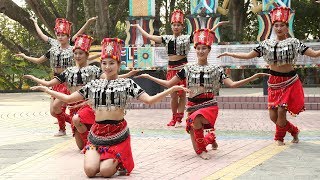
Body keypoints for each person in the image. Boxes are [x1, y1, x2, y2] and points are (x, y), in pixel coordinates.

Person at [29, 38, 187, 177]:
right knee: (90, 171)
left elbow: (150, 100)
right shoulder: (94, 84)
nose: (107, 67)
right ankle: (101, 157)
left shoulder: (127, 83)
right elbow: (70, 98)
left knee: (105, 172)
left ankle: (117, 159)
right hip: (97, 134)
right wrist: (46, 89)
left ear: (118, 64)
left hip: (117, 134)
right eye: (104, 63)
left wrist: (171, 89)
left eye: (112, 63)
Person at [135, 28, 268, 159]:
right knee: (196, 148)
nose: (200, 51)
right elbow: (169, 84)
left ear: (209, 50)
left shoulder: (216, 69)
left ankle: (204, 149)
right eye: (198, 48)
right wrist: (149, 77)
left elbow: (232, 85)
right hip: (192, 106)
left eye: (204, 48)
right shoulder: (187, 69)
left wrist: (252, 77)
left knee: (198, 124)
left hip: (209, 105)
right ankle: (210, 138)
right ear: (195, 49)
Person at [217, 6, 320, 145]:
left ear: (286, 27)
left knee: (282, 110)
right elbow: (248, 56)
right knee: (273, 117)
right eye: (276, 25)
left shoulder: (294, 43)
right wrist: (230, 53)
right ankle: (294, 130)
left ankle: (279, 138)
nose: (279, 28)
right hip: (274, 82)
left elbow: (313, 54)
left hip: (289, 81)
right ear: (273, 27)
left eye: (282, 25)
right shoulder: (266, 44)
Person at [131, 9, 228, 127]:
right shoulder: (166, 38)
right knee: (173, 95)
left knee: (182, 94)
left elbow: (203, 35)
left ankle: (179, 117)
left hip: (183, 68)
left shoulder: (187, 38)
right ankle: (173, 116)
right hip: (171, 69)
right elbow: (148, 36)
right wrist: (138, 27)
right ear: (171, 26)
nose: (176, 27)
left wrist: (216, 25)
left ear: (182, 26)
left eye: (178, 25)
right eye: (174, 25)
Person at [16, 17, 98, 136]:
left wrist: (88, 23)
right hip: (56, 80)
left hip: (67, 82)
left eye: (63, 35)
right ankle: (75, 123)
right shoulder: (53, 48)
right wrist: (25, 56)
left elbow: (80, 38)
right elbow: (40, 51)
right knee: (53, 112)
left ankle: (66, 128)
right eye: (58, 34)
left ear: (68, 36)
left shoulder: (72, 48)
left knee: (58, 107)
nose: (60, 37)